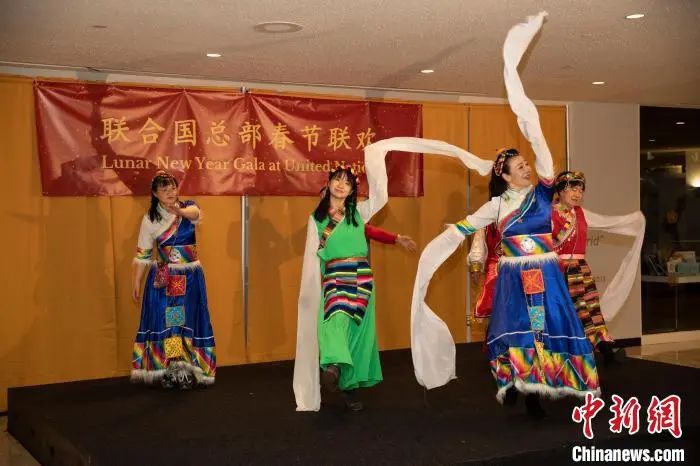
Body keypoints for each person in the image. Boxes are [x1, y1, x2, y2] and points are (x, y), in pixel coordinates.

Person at [454, 148, 600, 417]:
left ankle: (533, 392)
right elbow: (469, 228)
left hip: (539, 277)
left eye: (526, 164)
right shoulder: (497, 205)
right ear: (506, 176)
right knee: (509, 328)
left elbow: (545, 164)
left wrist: (534, 131)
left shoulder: (541, 195)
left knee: (538, 328)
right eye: (520, 166)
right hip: (510, 278)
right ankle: (512, 379)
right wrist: (446, 245)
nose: (527, 168)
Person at [294, 165, 415, 411]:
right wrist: (310, 288)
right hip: (335, 276)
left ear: (351, 191)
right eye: (337, 180)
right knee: (334, 319)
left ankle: (348, 386)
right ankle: (333, 366)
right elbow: (311, 255)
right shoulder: (316, 219)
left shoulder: (357, 212)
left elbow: (367, 229)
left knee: (356, 333)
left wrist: (395, 238)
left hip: (362, 278)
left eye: (347, 182)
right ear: (328, 183)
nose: (341, 185)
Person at [131, 171, 216, 389]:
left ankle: (189, 368)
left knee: (189, 320)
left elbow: (195, 213)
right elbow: (143, 254)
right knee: (172, 322)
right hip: (166, 279)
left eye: (173, 188)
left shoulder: (188, 208)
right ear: (155, 193)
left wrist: (179, 211)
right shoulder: (150, 219)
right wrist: (136, 282)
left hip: (190, 277)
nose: (170, 193)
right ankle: (175, 369)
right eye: (164, 189)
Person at [552, 171, 619, 364]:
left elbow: (606, 223)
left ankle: (604, 346)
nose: (578, 194)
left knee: (592, 306)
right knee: (578, 309)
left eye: (581, 191)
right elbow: (547, 243)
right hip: (562, 269)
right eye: (573, 189)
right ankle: (575, 353)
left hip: (581, 267)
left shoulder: (579, 212)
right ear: (561, 190)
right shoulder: (550, 214)